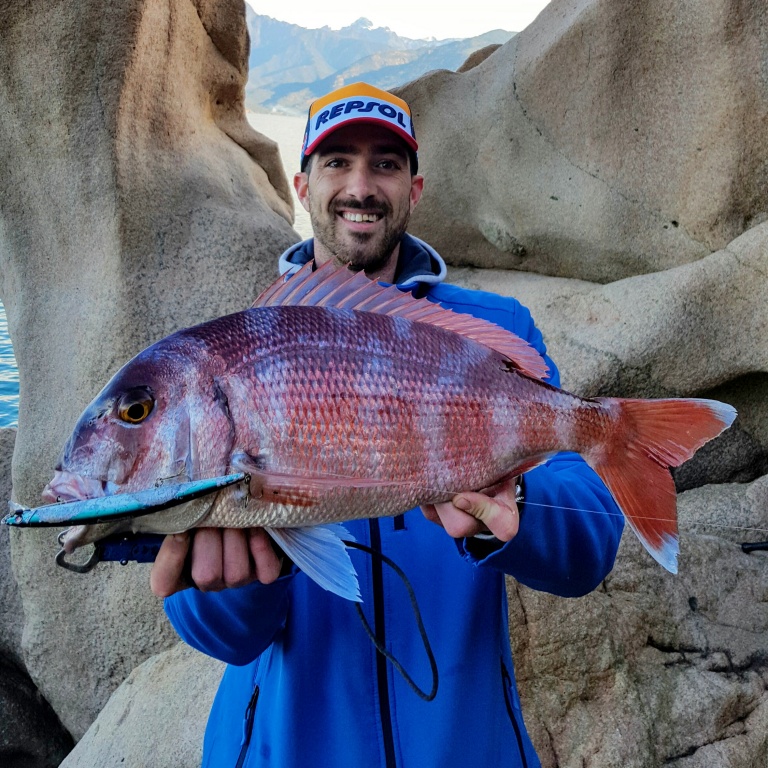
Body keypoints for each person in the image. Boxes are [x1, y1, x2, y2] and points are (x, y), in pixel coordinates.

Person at [152, 83, 624, 768]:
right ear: (302, 183)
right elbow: (226, 639)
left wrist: (514, 508)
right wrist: (241, 579)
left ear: (415, 187)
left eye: (386, 164)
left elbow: (589, 547)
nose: (360, 186)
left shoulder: (492, 335)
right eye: (337, 161)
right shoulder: (242, 353)